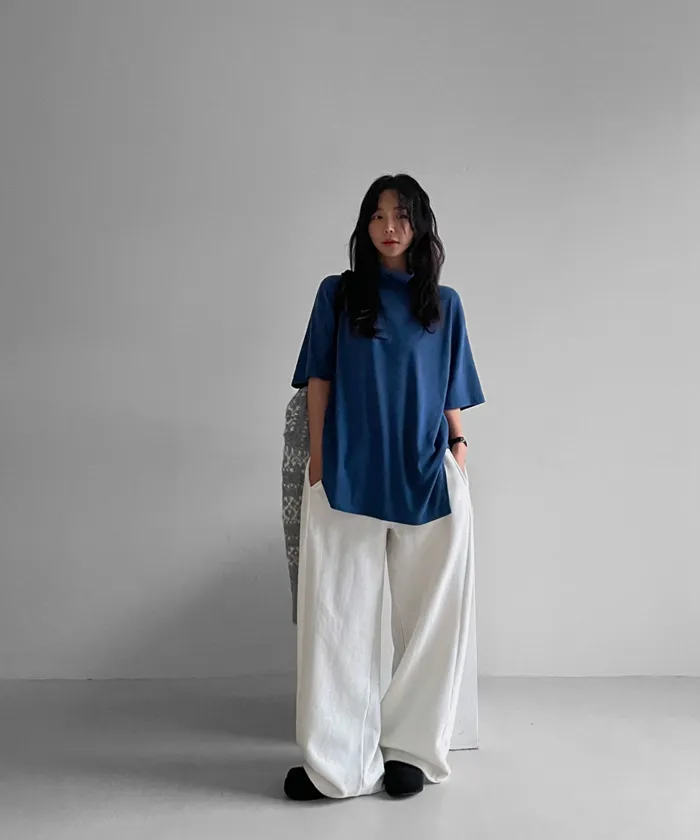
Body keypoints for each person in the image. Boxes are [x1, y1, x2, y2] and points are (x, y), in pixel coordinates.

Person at [284, 173, 485, 801]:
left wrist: (458, 448)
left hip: (426, 475)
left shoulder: (444, 303)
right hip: (347, 472)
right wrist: (320, 459)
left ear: (419, 225)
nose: (389, 226)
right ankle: (336, 763)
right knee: (336, 618)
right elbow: (319, 378)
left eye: (400, 215)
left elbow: (451, 389)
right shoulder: (339, 294)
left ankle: (409, 750)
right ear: (363, 226)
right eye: (376, 215)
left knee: (430, 620)